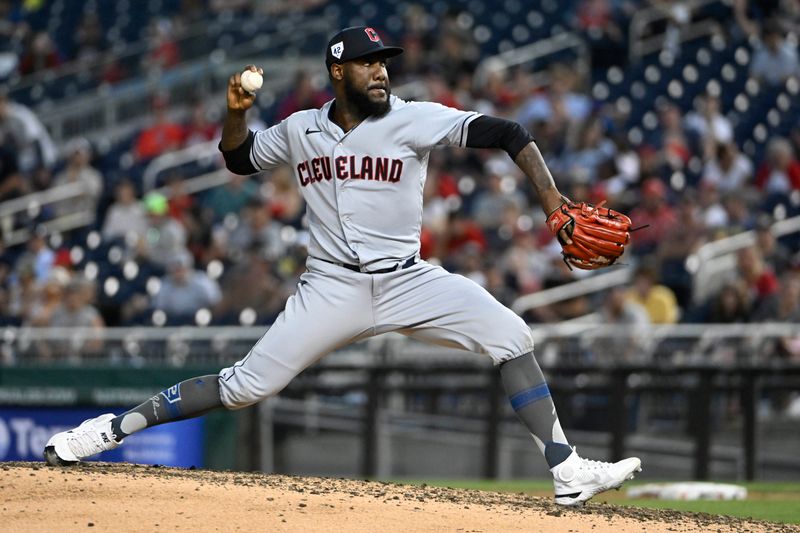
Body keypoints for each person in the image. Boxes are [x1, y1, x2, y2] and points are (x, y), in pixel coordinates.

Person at [44, 26, 641, 506]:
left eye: (384, 62)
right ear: (338, 72)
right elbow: (238, 158)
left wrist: (553, 203)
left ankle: (566, 469)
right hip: (331, 287)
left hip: (409, 279)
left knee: (512, 335)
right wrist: (234, 111)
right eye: (367, 62)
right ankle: (109, 430)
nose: (381, 71)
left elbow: (511, 131)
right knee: (246, 387)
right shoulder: (301, 129)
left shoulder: (413, 117)